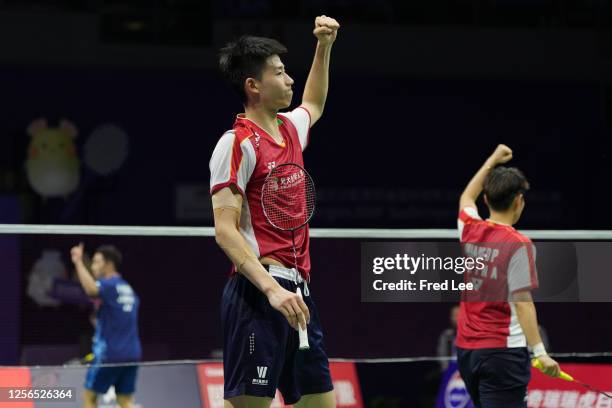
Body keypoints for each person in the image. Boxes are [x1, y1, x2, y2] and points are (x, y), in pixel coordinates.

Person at [209, 15, 340, 408]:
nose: (290, 80)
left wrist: (325, 45)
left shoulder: (289, 130)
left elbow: (313, 102)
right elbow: (225, 231)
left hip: (298, 290)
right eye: (280, 74)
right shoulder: (236, 145)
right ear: (253, 86)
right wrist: (271, 291)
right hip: (258, 291)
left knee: (319, 402)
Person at [455, 145, 560, 408]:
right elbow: (522, 301)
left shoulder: (470, 228)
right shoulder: (518, 244)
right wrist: (540, 353)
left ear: (487, 200)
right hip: (503, 354)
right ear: (518, 201)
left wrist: (491, 160)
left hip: (467, 351)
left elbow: (467, 197)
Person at [70, 243, 141, 408]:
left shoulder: (108, 286)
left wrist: (78, 262)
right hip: (132, 353)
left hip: (110, 354)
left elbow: (91, 290)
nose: (93, 267)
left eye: (96, 262)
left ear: (108, 264)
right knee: (125, 400)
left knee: (89, 397)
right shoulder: (126, 287)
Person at [437, 305, 459, 371]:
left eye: (459, 315)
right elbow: (442, 354)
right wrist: (447, 369)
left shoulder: (472, 335)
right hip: (450, 370)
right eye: (454, 315)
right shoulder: (446, 335)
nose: (456, 318)